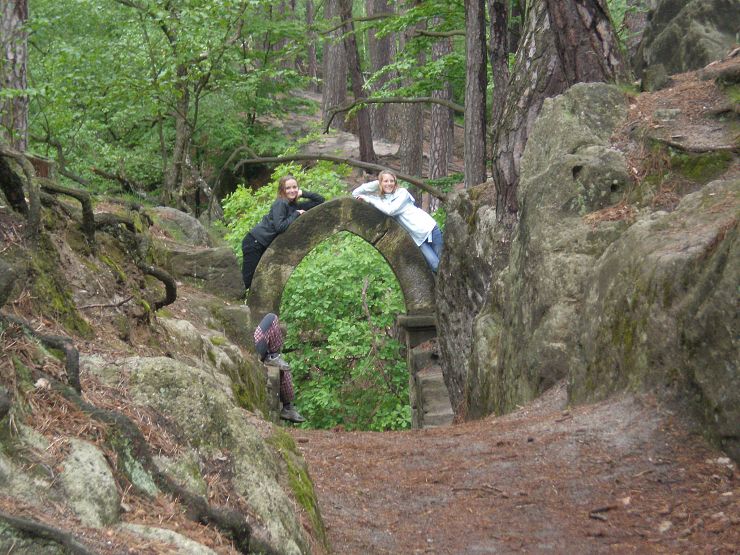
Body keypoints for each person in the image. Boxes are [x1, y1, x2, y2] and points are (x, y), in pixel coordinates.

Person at [241, 175, 324, 290]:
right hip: (254, 242)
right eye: (288, 188)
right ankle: (230, 297)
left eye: (294, 187)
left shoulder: (293, 206)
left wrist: (303, 193)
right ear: (282, 190)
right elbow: (280, 227)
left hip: (261, 244)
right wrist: (296, 214)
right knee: (247, 281)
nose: (292, 190)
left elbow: (320, 201)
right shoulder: (281, 203)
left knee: (257, 280)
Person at [352, 170, 443, 272]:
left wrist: (369, 199)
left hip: (429, 229)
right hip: (417, 238)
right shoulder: (381, 199)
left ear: (395, 183)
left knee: (443, 265)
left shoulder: (402, 193)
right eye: (385, 181)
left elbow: (391, 211)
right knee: (435, 265)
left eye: (391, 181)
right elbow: (355, 193)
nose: (389, 183)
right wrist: (377, 183)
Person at [254, 312, 306, 423]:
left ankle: (288, 407)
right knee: (272, 317)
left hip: (264, 352)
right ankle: (272, 356)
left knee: (283, 371)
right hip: (257, 350)